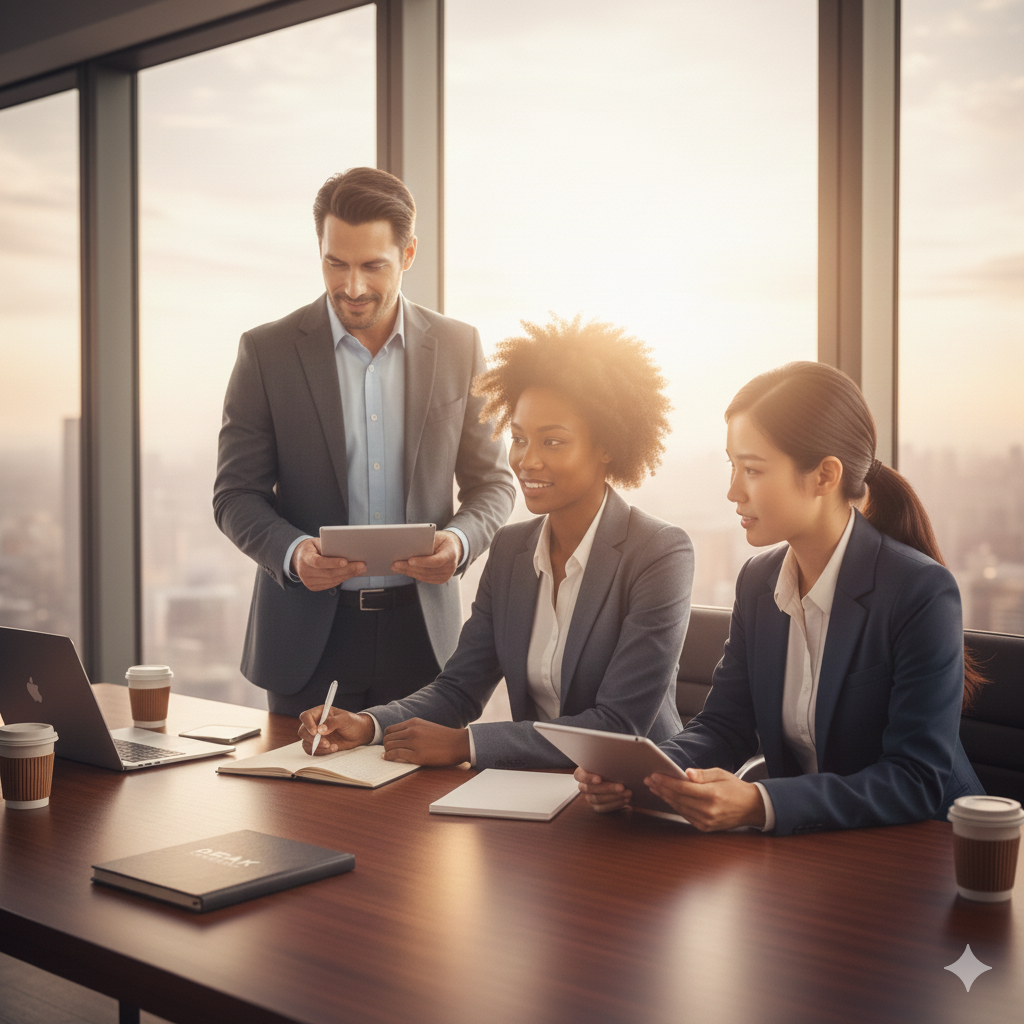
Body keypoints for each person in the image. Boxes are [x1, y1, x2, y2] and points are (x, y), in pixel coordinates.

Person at [576, 361, 985, 834]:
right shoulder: (758, 581)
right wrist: (639, 773)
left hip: (922, 851)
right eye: (732, 466)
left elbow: (915, 779)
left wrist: (759, 802)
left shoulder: (920, 592)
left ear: (825, 476)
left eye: (752, 469)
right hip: (809, 854)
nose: (733, 491)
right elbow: (725, 726)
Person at [298, 316, 694, 769]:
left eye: (553, 441)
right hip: (530, 792)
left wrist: (467, 745)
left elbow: (620, 725)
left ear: (607, 445)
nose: (527, 460)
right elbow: (460, 688)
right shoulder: (511, 551)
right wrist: (369, 725)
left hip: (635, 798)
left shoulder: (659, 552)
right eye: (520, 438)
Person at [214, 167, 516, 715]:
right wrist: (293, 553)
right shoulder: (267, 352)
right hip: (305, 642)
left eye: (372, 265)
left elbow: (492, 481)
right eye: (337, 263)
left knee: (419, 801)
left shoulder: (459, 347)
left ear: (408, 254)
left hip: (423, 641)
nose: (352, 287)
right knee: (301, 800)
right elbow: (234, 494)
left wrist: (460, 543)